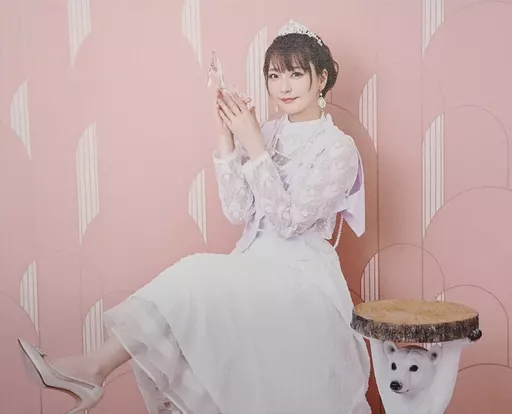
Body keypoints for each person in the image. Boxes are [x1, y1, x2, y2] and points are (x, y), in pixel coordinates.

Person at [18, 19, 371, 414]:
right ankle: (92, 370)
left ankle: (92, 370)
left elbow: (289, 222)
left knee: (194, 275)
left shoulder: (337, 148)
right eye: (274, 75)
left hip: (300, 276)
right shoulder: (267, 131)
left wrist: (253, 143)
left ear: (321, 78)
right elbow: (238, 210)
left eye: (295, 74)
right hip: (253, 264)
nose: (283, 86)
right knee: (195, 295)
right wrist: (226, 137)